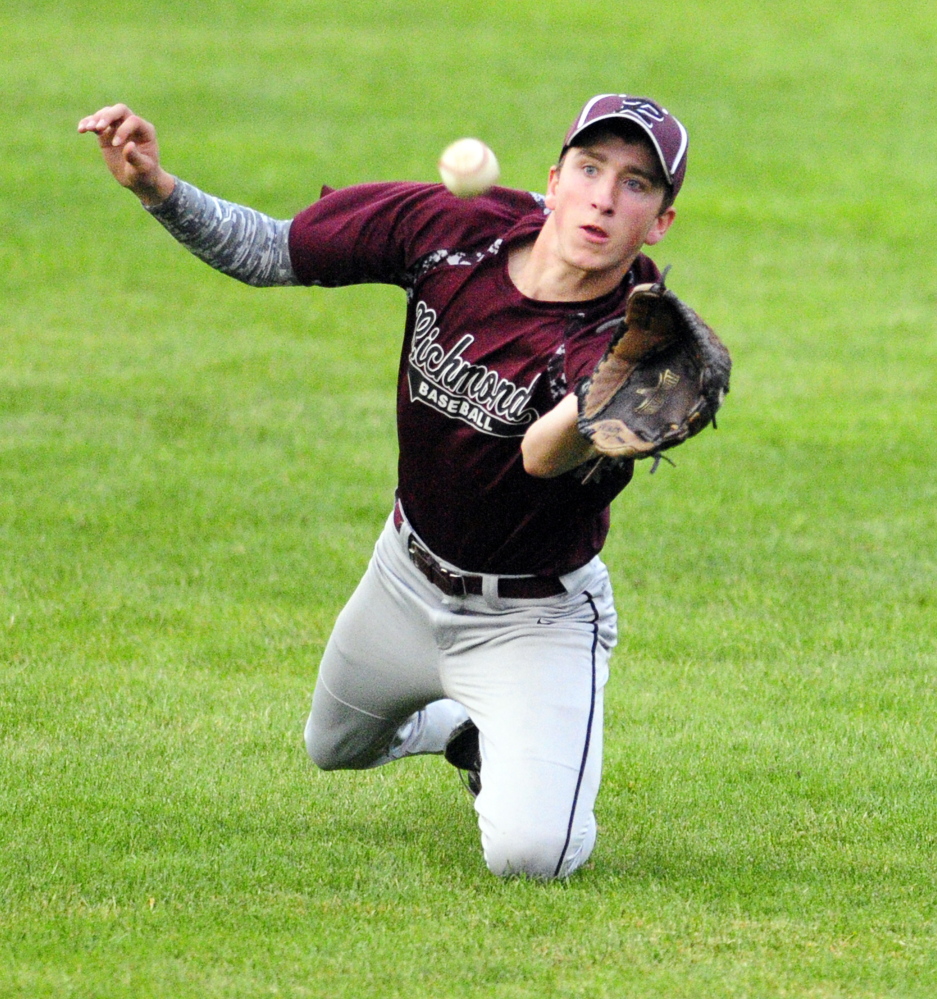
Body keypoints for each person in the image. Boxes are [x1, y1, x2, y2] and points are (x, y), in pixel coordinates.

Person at [79, 93, 688, 879]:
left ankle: (525, 730)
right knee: (331, 747)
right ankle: (464, 730)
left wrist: (599, 398)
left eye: (636, 184)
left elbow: (541, 455)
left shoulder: (637, 344)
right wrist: (156, 188)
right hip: (404, 575)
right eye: (590, 167)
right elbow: (271, 252)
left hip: (533, 617)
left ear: (661, 221)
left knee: (529, 856)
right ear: (555, 177)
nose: (604, 197)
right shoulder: (451, 230)